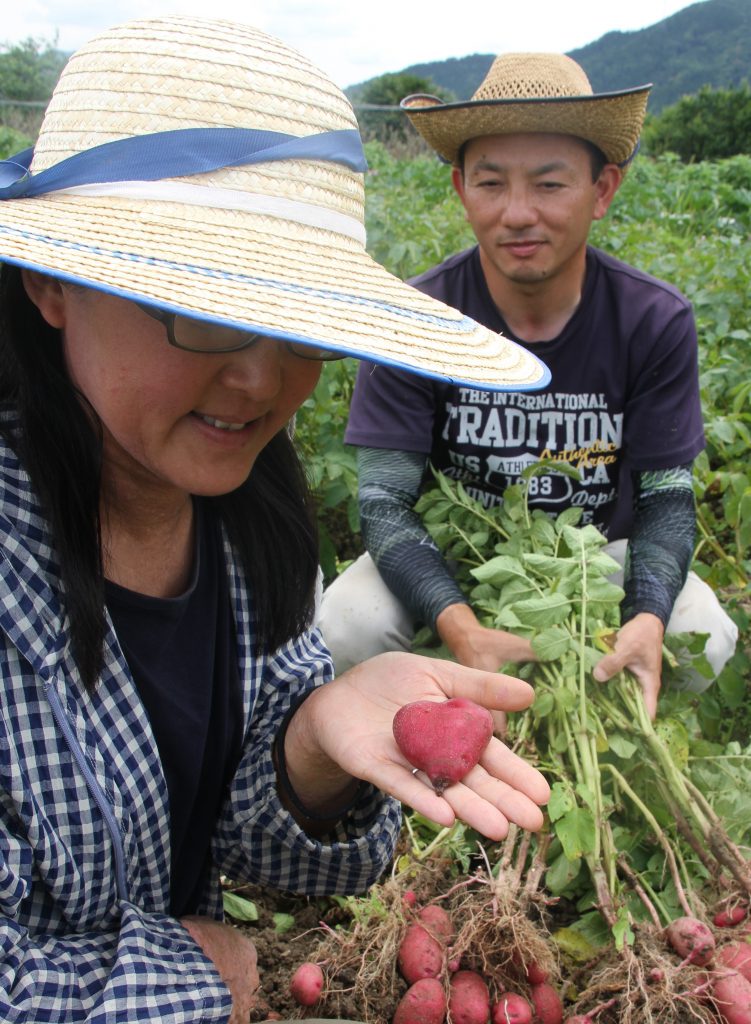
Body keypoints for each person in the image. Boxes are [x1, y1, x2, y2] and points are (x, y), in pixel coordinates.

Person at [0, 20, 552, 1023]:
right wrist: (195, 976)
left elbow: (251, 851)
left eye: (299, 327)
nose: (261, 381)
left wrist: (309, 749)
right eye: (200, 308)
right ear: (49, 283)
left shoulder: (245, 524)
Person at [319, 52, 738, 721]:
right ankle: (399, 763)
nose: (517, 213)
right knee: (345, 622)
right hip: (455, 552)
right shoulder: (417, 318)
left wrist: (648, 612)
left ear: (601, 190)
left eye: (549, 185)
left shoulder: (652, 320)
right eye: (490, 184)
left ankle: (623, 745)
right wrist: (456, 621)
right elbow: (383, 501)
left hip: (593, 556)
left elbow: (665, 498)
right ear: (459, 189)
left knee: (703, 634)